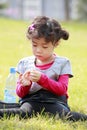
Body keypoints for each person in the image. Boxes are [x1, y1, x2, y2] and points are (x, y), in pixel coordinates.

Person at [0, 16, 87, 121]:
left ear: (56, 43)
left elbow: (61, 90)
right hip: (31, 101)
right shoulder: (25, 63)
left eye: (44, 47)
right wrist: (26, 85)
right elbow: (20, 93)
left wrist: (42, 79)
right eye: (34, 45)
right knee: (24, 111)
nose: (38, 50)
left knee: (63, 115)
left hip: (54, 102)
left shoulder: (62, 63)